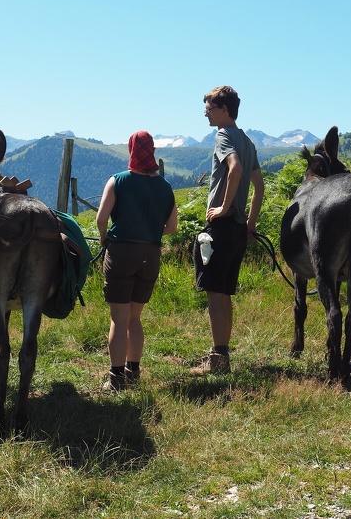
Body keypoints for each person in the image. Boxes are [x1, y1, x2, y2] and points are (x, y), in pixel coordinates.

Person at [96, 130, 178, 392]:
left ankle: (116, 378)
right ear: (152, 151)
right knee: (134, 319)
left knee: (118, 320)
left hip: (121, 253)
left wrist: (104, 238)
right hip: (150, 255)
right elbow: (172, 227)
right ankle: (134, 371)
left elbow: (100, 219)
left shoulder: (118, 181)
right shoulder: (165, 187)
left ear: (132, 150)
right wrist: (151, 234)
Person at [191, 86, 264, 375]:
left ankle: (217, 361)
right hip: (238, 229)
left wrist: (222, 207)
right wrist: (250, 222)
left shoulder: (223, 135)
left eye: (208, 107)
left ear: (223, 109)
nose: (205, 113)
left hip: (221, 226)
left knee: (214, 294)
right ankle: (222, 355)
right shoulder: (247, 140)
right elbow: (259, 187)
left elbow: (233, 169)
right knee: (225, 294)